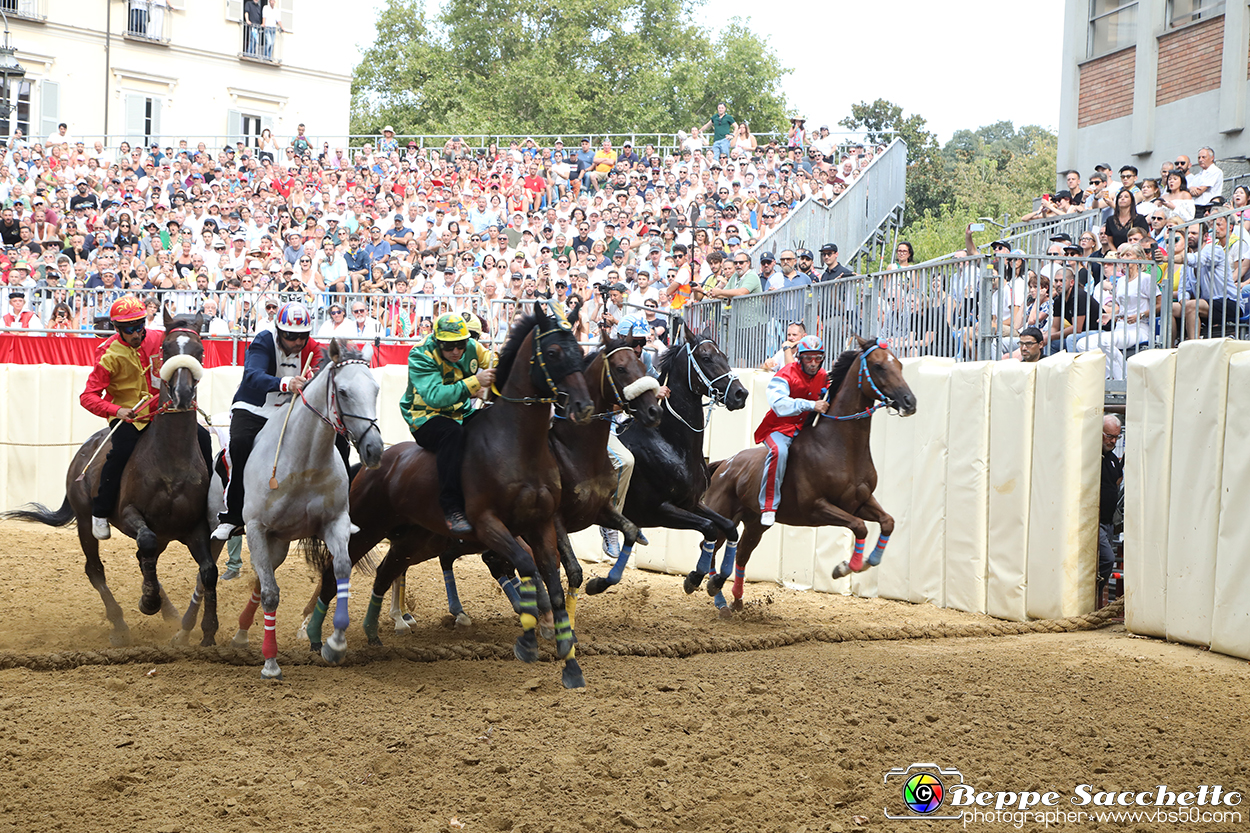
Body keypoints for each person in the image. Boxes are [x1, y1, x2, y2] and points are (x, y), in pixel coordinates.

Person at [80, 298, 212, 539]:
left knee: (203, 438)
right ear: (116, 328)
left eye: (140, 324)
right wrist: (115, 410)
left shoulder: (159, 340)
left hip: (164, 412)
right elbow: (87, 396)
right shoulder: (107, 355)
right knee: (119, 453)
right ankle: (100, 512)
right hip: (129, 418)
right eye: (129, 328)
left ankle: (213, 503)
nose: (137, 332)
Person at [212, 302, 329, 540]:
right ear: (279, 332)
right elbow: (253, 375)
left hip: (289, 410)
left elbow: (325, 363)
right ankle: (233, 516)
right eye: (291, 336)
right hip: (254, 407)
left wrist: (317, 374)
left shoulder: (311, 347)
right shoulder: (263, 341)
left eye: (303, 336)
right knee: (241, 443)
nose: (298, 342)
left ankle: (331, 509)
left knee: (334, 441)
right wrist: (286, 383)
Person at [399, 313, 494, 534]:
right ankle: (451, 507)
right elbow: (435, 397)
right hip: (425, 417)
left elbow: (495, 361)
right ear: (437, 340)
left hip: (460, 412)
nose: (456, 352)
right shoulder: (420, 354)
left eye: (461, 345)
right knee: (453, 434)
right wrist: (475, 382)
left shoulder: (472, 345)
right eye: (449, 347)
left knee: (492, 421)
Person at [753, 335, 828, 527]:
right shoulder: (785, 373)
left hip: (805, 430)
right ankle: (768, 506)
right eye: (808, 358)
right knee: (780, 451)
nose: (813, 363)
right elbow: (779, 404)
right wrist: (811, 405)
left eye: (818, 358)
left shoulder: (824, 377)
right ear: (799, 358)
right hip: (777, 428)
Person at [1098, 415, 1124, 604]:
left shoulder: (1113, 459)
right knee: (1106, 559)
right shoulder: (1091, 457)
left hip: (1107, 523)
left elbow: (1117, 481)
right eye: (1109, 436)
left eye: (1116, 437)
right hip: (1094, 522)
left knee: (1106, 561)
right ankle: (1092, 596)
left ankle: (1094, 600)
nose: (1113, 441)